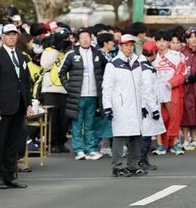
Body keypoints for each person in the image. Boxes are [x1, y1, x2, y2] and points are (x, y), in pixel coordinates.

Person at [0, 24, 32, 189]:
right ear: (2, 37)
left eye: (14, 34)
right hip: (3, 106)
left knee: (14, 142)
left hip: (19, 106)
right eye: (8, 35)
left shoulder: (21, 57)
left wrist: (28, 103)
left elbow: (26, 82)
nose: (12, 37)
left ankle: (10, 175)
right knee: (1, 143)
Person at [102, 35, 149, 177]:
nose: (129, 48)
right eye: (126, 45)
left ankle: (133, 164)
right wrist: (107, 106)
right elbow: (107, 87)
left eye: (131, 45)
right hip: (120, 106)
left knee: (136, 136)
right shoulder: (113, 64)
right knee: (120, 136)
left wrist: (143, 105)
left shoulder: (137, 63)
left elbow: (141, 86)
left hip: (135, 105)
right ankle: (117, 166)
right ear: (120, 46)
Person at [58, 28, 107, 160]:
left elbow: (107, 69)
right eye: (82, 37)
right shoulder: (71, 54)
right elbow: (61, 72)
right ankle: (79, 150)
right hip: (77, 95)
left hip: (93, 94)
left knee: (90, 124)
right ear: (79, 40)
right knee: (77, 124)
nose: (85, 39)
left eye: (87, 37)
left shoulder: (98, 54)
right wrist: (69, 87)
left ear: (91, 39)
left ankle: (91, 149)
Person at [152, 30, 186, 155]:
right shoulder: (151, 55)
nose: (161, 44)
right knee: (159, 118)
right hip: (156, 91)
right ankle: (161, 144)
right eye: (158, 41)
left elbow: (182, 72)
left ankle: (175, 143)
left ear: (168, 42)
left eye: (164, 41)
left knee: (174, 117)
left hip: (171, 90)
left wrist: (172, 82)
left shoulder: (177, 56)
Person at [39, 31, 70, 154]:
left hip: (64, 88)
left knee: (64, 119)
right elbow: (45, 64)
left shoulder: (66, 53)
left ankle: (61, 143)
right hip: (50, 89)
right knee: (52, 118)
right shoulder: (49, 51)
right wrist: (55, 49)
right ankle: (51, 143)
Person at [137, 37, 165, 171]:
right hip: (146, 106)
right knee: (146, 134)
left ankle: (140, 159)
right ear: (154, 53)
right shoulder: (146, 68)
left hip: (142, 104)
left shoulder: (140, 64)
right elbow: (147, 91)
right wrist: (154, 109)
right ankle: (141, 160)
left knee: (144, 133)